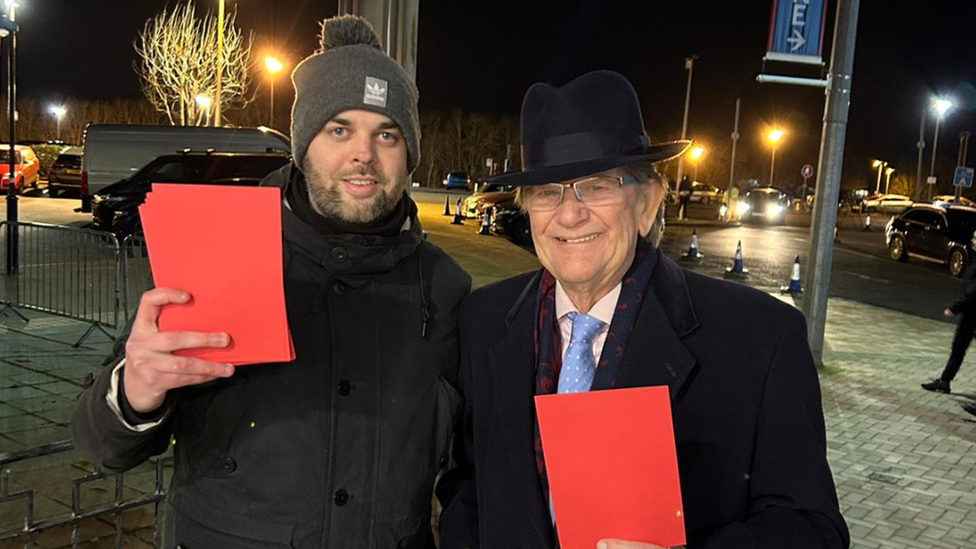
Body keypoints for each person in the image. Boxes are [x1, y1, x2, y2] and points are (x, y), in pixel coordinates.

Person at [71, 15, 470, 549]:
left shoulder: (445, 288)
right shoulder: (220, 252)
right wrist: (134, 394)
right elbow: (105, 445)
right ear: (304, 145)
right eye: (339, 129)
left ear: (408, 155)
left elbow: (473, 465)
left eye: (387, 134)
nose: (363, 154)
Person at [436, 70, 848, 549]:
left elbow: (812, 529)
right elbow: (467, 481)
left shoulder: (760, 338)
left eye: (597, 186)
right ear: (527, 208)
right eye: (548, 191)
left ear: (647, 203)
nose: (569, 214)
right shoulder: (483, 319)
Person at [922, 262, 976, 394]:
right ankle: (944, 381)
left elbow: (973, 292)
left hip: (972, 314)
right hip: (970, 313)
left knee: (958, 348)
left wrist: (954, 307)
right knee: (958, 348)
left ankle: (944, 382)